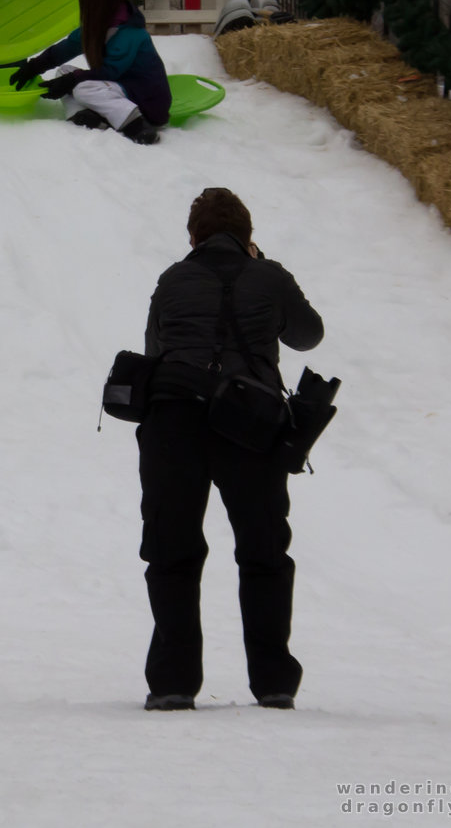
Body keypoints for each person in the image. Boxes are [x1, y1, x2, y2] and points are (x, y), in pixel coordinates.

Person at [136, 188, 324, 712]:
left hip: (173, 420)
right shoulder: (269, 277)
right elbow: (309, 337)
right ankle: (273, 683)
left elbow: (155, 349)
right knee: (263, 552)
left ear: (193, 235)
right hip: (251, 424)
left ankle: (173, 683)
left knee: (171, 551)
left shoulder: (173, 278)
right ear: (248, 237)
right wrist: (266, 274)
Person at [8, 0, 172, 144]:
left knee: (82, 88)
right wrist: (34, 67)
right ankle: (84, 117)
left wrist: (73, 80)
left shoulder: (129, 31)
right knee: (64, 72)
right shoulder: (98, 23)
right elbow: (66, 48)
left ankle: (136, 125)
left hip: (148, 101)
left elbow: (110, 72)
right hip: (122, 90)